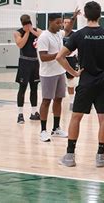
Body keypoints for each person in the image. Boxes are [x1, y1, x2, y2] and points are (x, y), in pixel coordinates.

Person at [57, 1, 104, 168]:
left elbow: (59, 56)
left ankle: (69, 157)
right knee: (103, 119)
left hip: (86, 81)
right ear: (100, 15)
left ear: (86, 16)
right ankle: (100, 157)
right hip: (103, 81)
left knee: (76, 118)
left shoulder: (79, 35)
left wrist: (74, 73)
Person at [37, 13, 68, 142]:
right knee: (46, 101)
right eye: (57, 22)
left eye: (61, 22)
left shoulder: (59, 34)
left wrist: (73, 18)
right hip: (48, 74)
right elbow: (43, 57)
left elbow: (68, 30)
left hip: (60, 72)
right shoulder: (44, 37)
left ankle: (56, 128)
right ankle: (43, 130)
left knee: (58, 99)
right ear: (50, 22)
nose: (60, 25)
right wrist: (59, 54)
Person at [13, 14, 42, 124]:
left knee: (34, 88)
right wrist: (27, 32)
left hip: (35, 61)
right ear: (22, 24)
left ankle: (34, 112)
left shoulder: (36, 30)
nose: (28, 26)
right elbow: (20, 45)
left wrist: (32, 30)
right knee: (22, 88)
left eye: (29, 24)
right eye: (25, 24)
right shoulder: (18, 32)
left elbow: (42, 35)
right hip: (24, 62)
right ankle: (20, 114)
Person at [62, 13, 80, 111]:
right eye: (65, 22)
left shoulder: (75, 34)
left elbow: (76, 47)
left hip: (72, 59)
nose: (66, 24)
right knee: (60, 80)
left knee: (71, 82)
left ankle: (72, 102)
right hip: (61, 59)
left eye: (68, 22)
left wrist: (69, 52)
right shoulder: (60, 34)